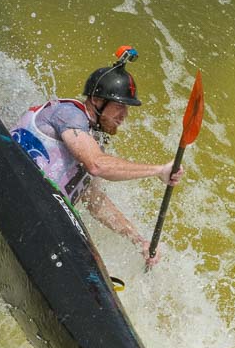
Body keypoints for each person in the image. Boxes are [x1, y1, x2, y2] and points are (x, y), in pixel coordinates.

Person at [10, 49, 183, 266]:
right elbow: (97, 165)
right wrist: (158, 171)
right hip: (17, 191)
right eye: (119, 106)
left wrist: (138, 240)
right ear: (97, 101)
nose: (124, 116)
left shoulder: (91, 137)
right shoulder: (70, 114)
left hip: (40, 211)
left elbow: (94, 200)